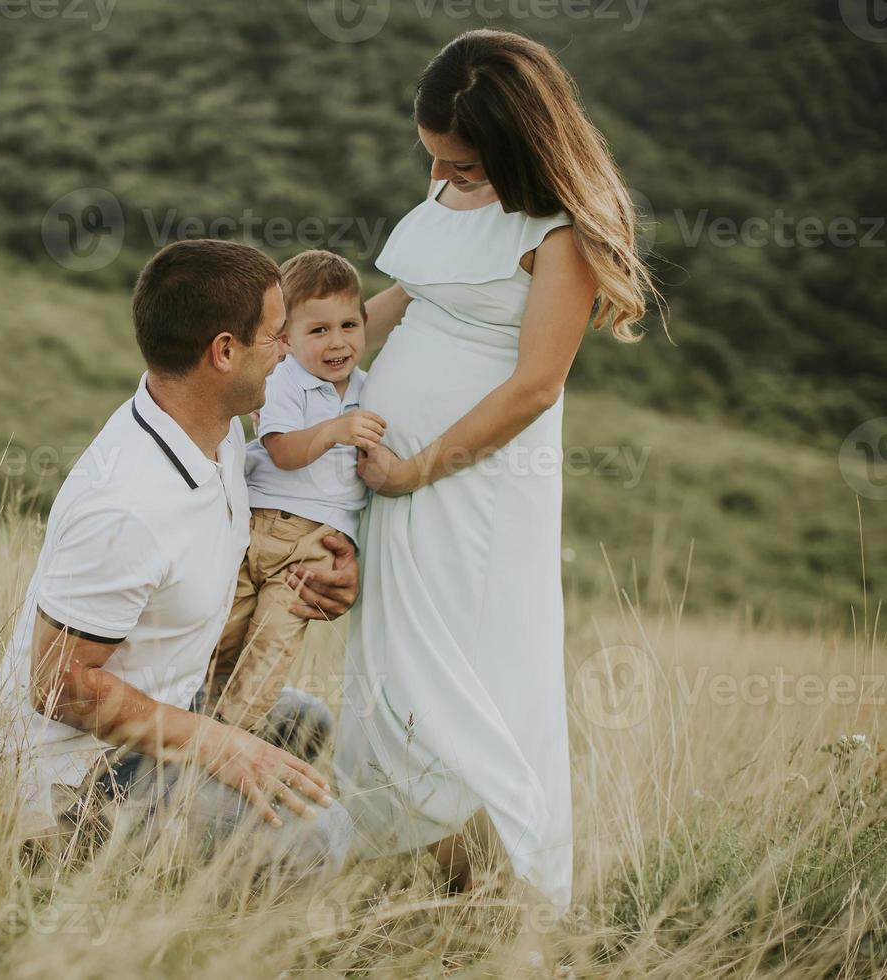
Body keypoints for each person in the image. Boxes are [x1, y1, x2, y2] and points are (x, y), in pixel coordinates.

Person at [335, 29, 660, 915]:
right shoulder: (452, 185)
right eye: (432, 162)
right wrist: (309, 357)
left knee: (461, 672)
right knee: (396, 665)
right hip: (396, 472)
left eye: (464, 170)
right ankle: (431, 878)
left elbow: (534, 387)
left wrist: (413, 472)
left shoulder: (563, 235)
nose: (442, 183)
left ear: (522, 152)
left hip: (469, 487)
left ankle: (507, 895)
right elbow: (406, 295)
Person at [0, 238, 358, 881]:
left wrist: (323, 565)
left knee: (305, 721)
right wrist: (219, 744)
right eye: (275, 337)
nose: (287, 352)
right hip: (78, 777)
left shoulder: (216, 430)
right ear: (223, 352)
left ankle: (201, 857)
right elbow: (59, 686)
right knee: (323, 841)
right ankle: (90, 872)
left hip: (169, 701)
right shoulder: (126, 506)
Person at [206, 250, 384, 737]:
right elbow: (282, 451)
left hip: (313, 547)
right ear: (286, 338)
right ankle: (187, 725)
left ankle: (233, 740)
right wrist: (335, 430)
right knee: (219, 633)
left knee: (270, 646)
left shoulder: (373, 390)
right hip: (257, 528)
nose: (337, 342)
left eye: (349, 325)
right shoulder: (285, 379)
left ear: (366, 322)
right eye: (318, 330)